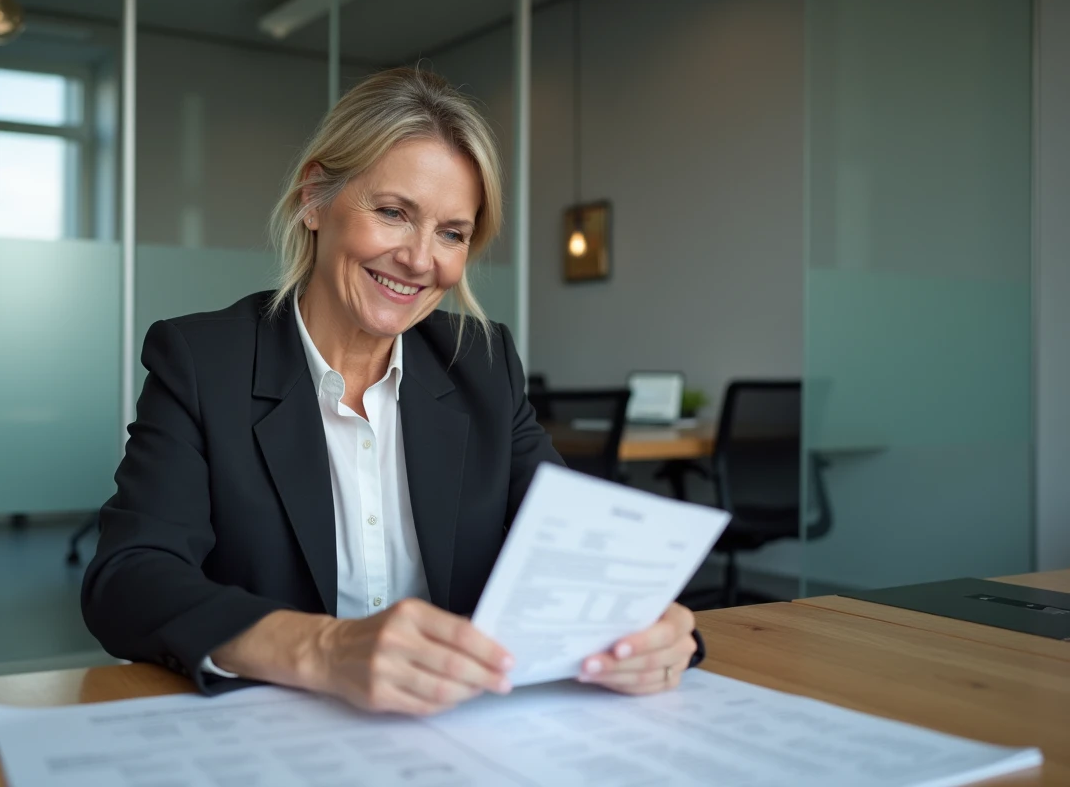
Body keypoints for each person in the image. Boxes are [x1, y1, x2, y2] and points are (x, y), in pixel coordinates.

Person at [82, 67, 702, 716]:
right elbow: (127, 582)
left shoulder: (482, 365)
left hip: (458, 732)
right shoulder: (204, 362)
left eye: (451, 233)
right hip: (277, 729)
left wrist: (654, 630)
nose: (418, 259)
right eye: (392, 213)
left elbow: (575, 551)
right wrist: (323, 648)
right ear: (314, 198)